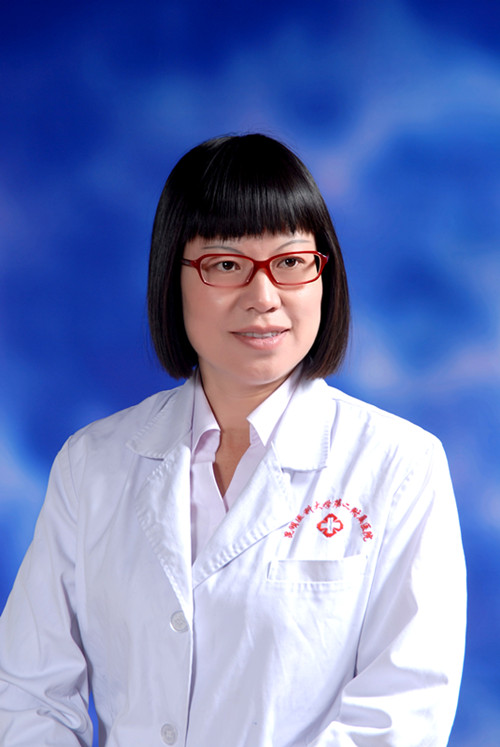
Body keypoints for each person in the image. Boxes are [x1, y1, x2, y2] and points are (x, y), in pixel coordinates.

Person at [0, 133, 466, 746]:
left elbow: (401, 713)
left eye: (291, 263)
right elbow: (27, 694)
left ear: (324, 276)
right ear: (172, 278)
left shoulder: (399, 465)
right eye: (226, 265)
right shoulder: (92, 465)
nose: (264, 297)